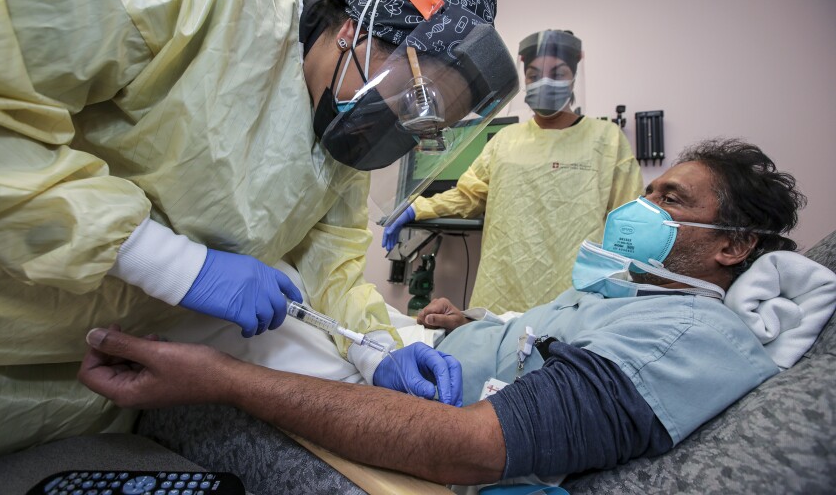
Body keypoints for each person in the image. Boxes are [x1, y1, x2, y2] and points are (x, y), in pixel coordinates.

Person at [0, 0, 519, 454]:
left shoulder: (341, 149)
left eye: (426, 122)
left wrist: (375, 351)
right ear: (356, 29)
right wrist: (173, 264)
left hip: (93, 374)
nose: (403, 125)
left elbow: (332, 265)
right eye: (415, 97)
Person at [79, 138, 817, 486]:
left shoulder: (692, 332)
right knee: (284, 285)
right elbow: (541, 345)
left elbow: (473, 446)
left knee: (225, 330)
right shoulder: (625, 297)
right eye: (649, 192)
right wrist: (469, 325)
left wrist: (223, 382)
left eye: (671, 201)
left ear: (735, 246)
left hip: (421, 407)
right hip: (422, 354)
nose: (639, 207)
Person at [382, 29, 644, 314]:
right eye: (533, 75)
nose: (543, 82)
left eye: (557, 74)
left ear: (574, 77)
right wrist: (415, 208)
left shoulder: (606, 138)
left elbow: (629, 221)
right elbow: (467, 196)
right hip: (502, 293)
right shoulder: (505, 140)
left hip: (575, 299)